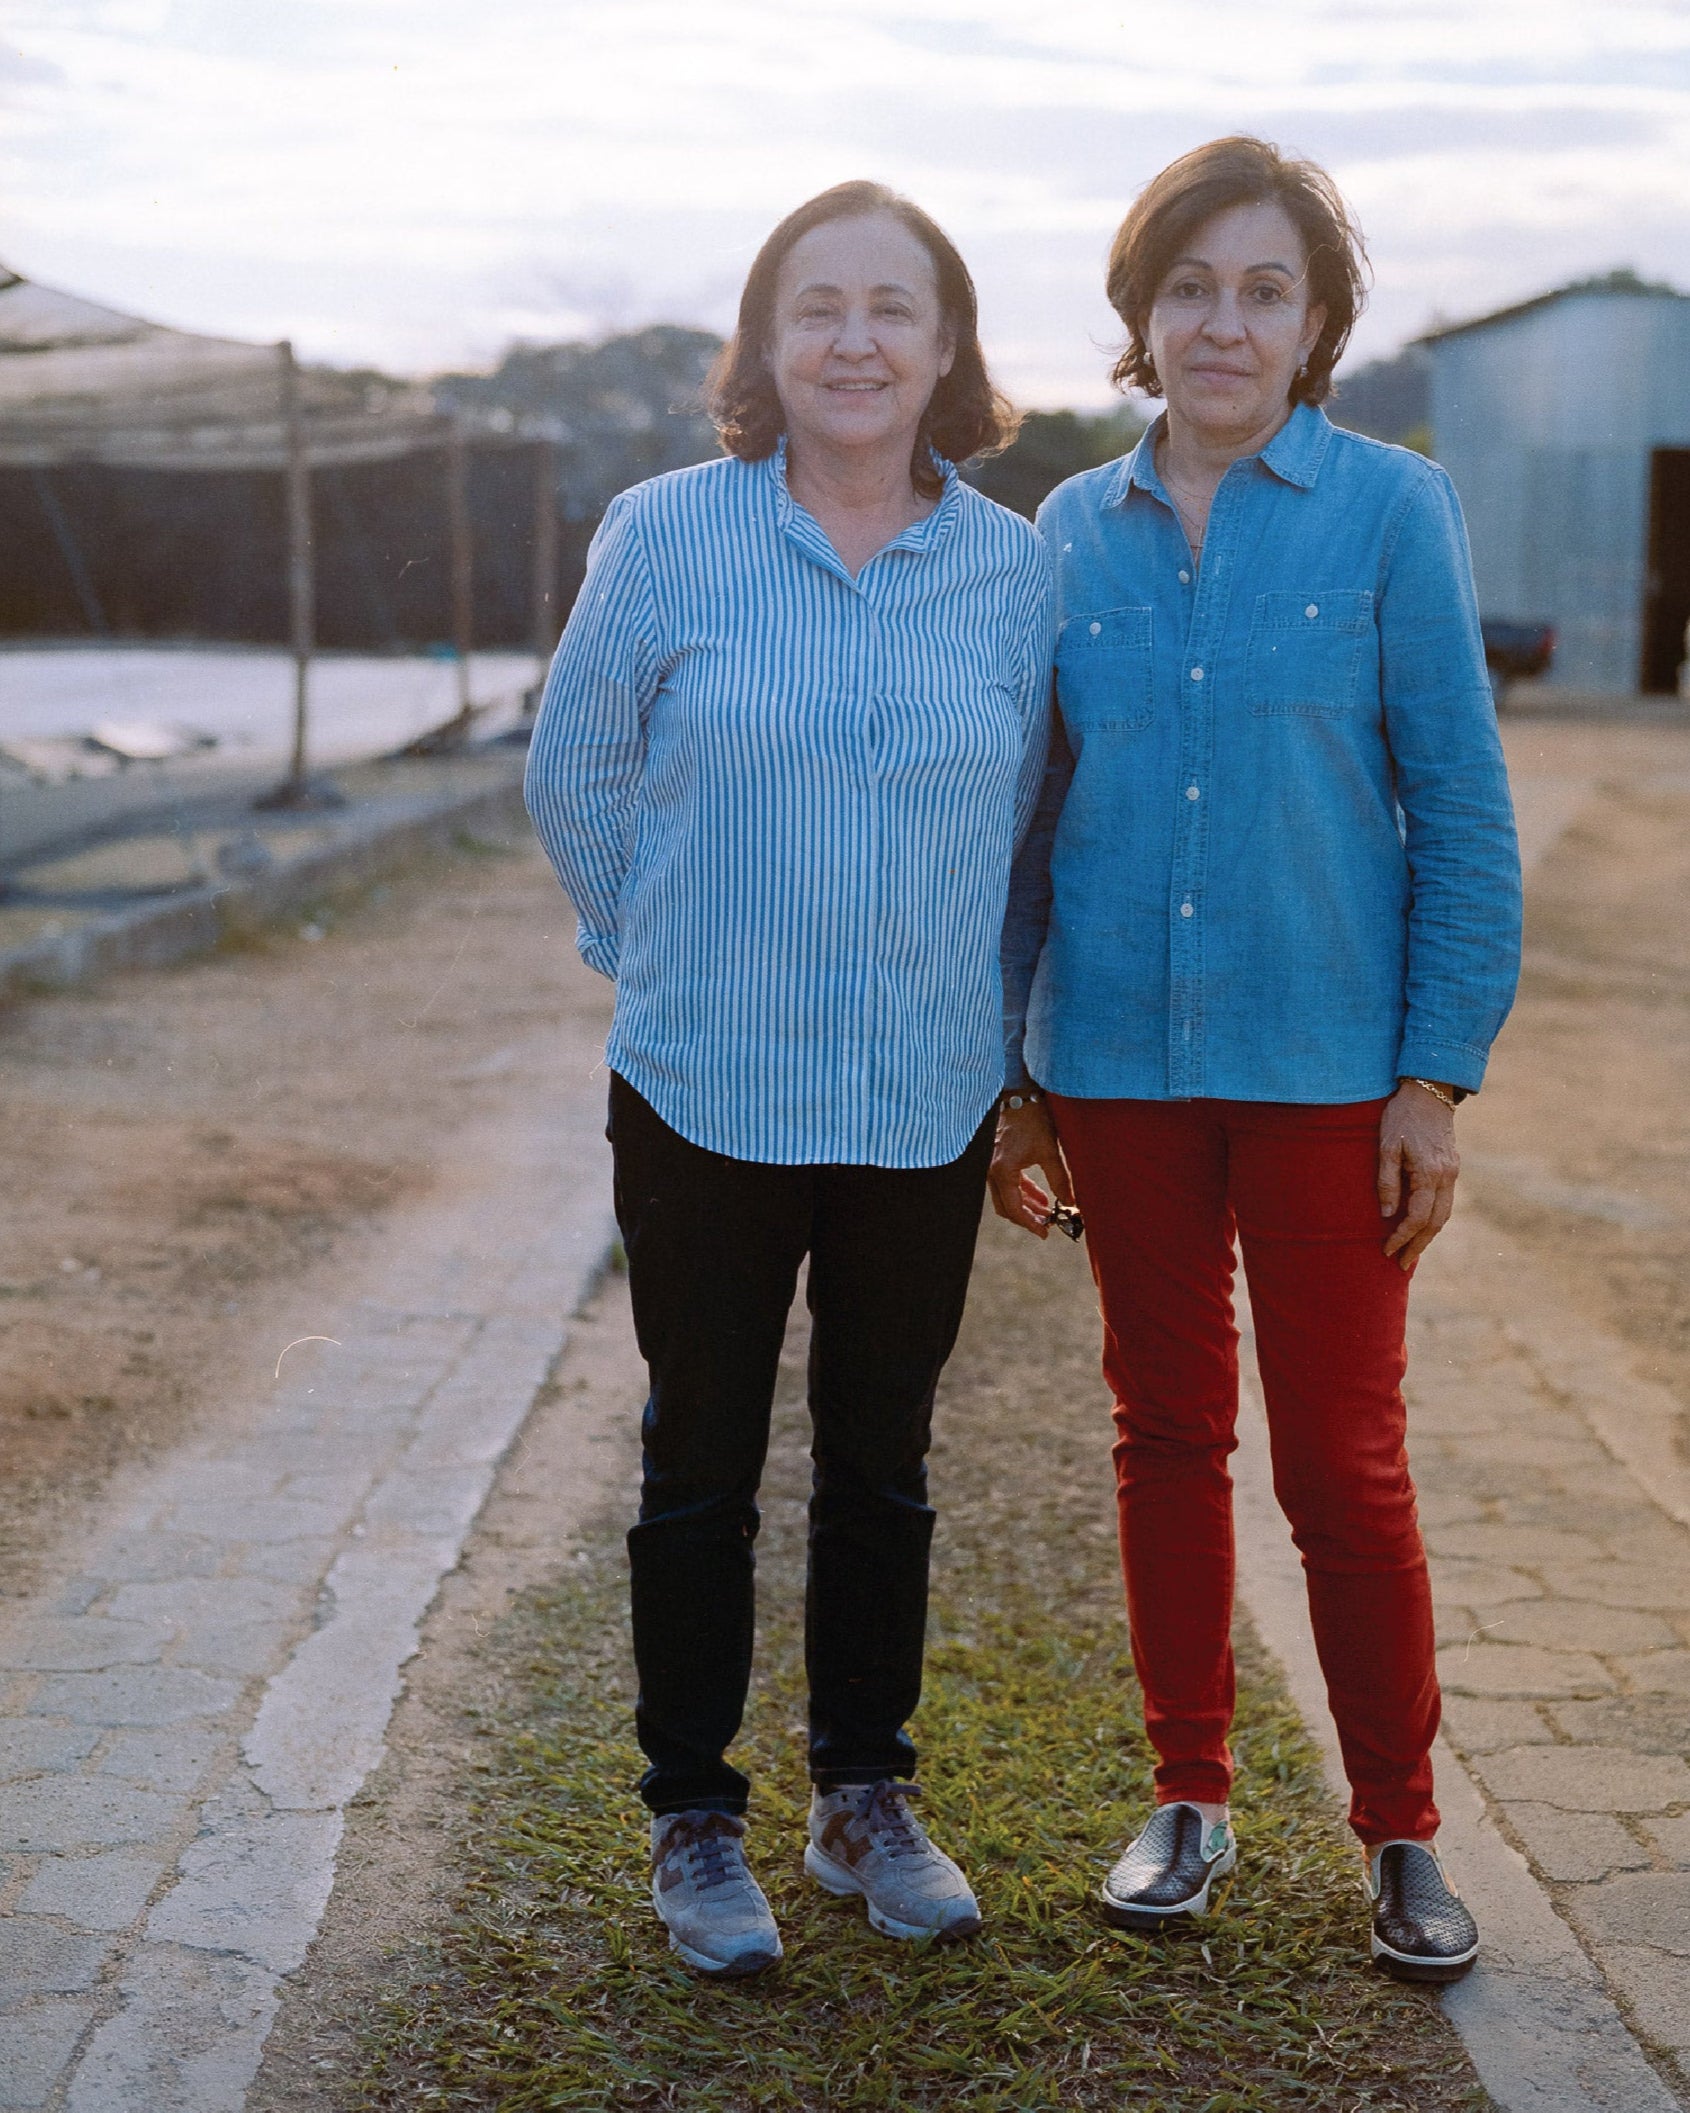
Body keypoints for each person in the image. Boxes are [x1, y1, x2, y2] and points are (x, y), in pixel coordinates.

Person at [990, 136, 1521, 1985]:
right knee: (1163, 1431)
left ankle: (1399, 1829)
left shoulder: (1390, 509)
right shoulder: (1063, 530)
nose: (1225, 320)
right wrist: (1013, 1071)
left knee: (1345, 1464)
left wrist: (1432, 1078)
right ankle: (1189, 1794)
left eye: (1265, 289)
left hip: (1321, 1067)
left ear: (1316, 324)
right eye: (1191, 286)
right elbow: (1026, 823)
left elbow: (1456, 801)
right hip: (1119, 1065)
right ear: (1140, 313)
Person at [526, 180, 1052, 1978]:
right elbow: (573, 774)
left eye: (891, 308)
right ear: (762, 342)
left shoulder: (1014, 571)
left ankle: (863, 1796)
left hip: (920, 1084)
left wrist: (1000, 1035)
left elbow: (1033, 825)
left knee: (882, 1462)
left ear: (947, 348)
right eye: (813, 306)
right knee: (699, 1462)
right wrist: (663, 954)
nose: (852, 341)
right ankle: (694, 1816)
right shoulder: (666, 532)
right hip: (703, 1083)